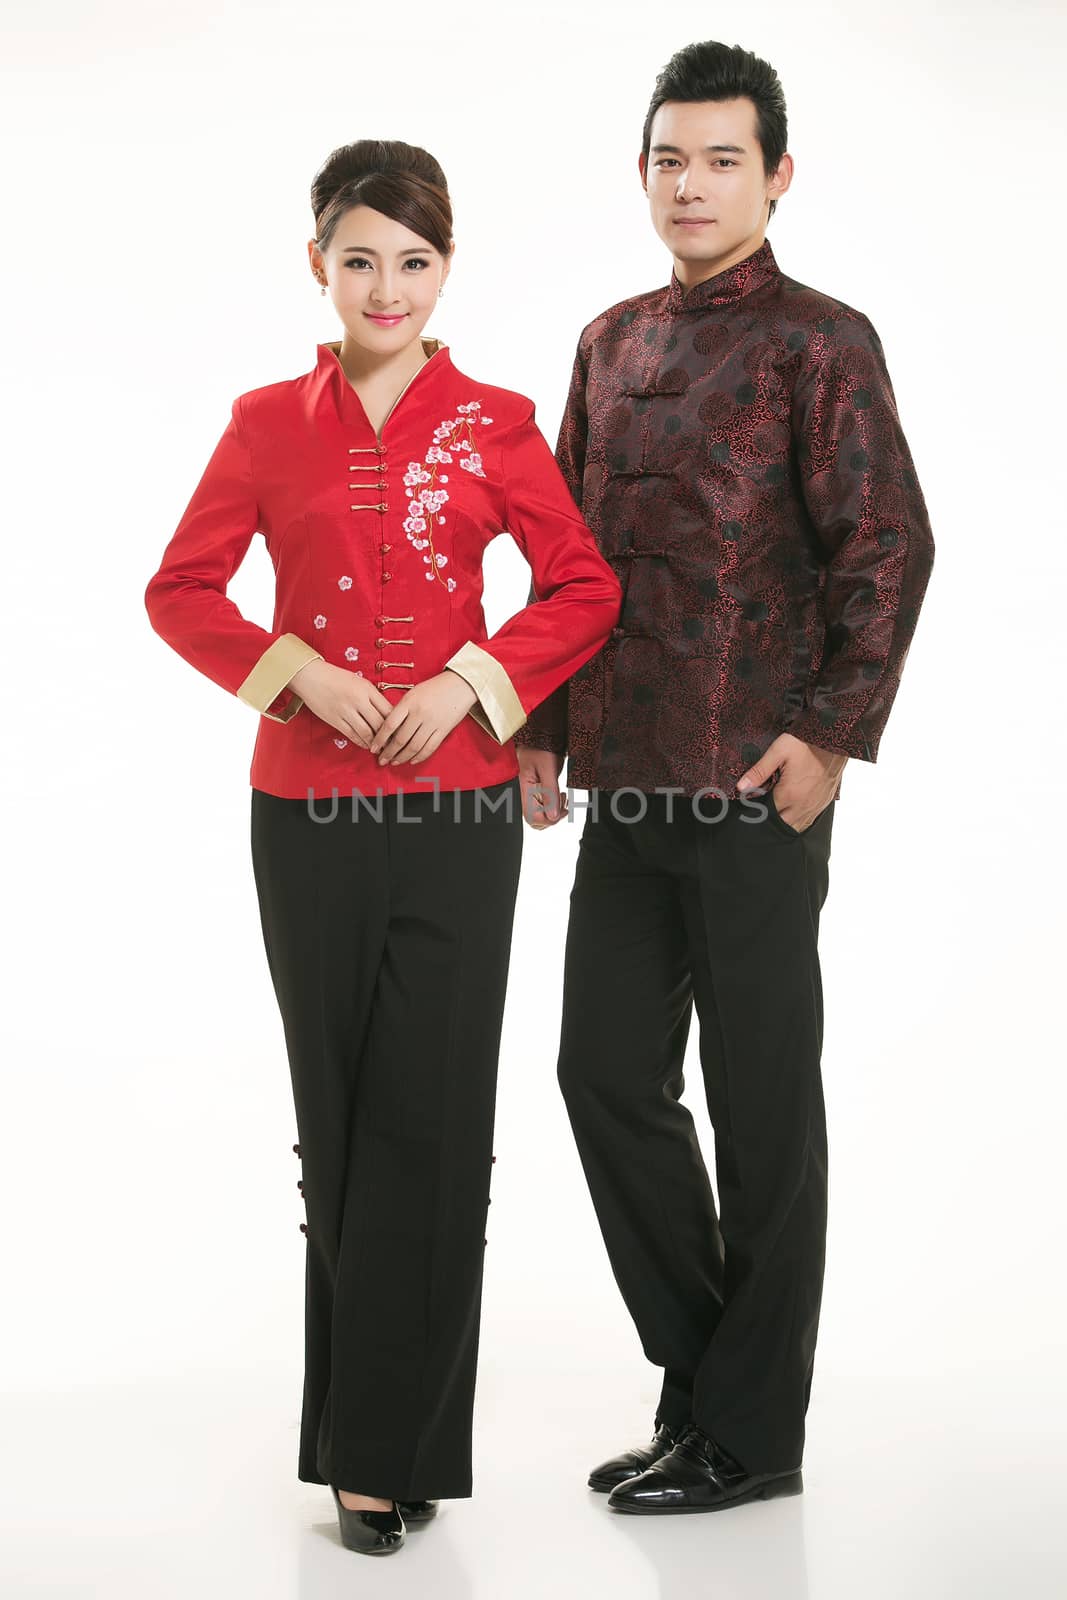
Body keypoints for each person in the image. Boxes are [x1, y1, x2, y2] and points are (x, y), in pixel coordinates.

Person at [143, 138, 622, 1556]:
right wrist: (299, 669)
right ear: (320, 266)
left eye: (414, 260)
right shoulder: (261, 424)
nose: (388, 285)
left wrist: (470, 681)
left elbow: (582, 583)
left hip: (462, 811)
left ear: (446, 269)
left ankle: (391, 1449)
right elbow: (178, 591)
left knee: (438, 1120)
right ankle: (365, 1448)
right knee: (342, 1121)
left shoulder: (497, 419)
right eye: (362, 257)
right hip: (303, 814)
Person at [514, 41, 935, 1515]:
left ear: (777, 175)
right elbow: (570, 557)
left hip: (760, 781)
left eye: (721, 161)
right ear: (643, 169)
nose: (690, 187)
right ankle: (714, 1388)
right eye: (668, 159)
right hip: (629, 781)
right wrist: (543, 727)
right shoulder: (610, 339)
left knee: (761, 1111)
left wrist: (827, 737)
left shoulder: (823, 341)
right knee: (604, 1073)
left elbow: (888, 546)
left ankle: (750, 1439)